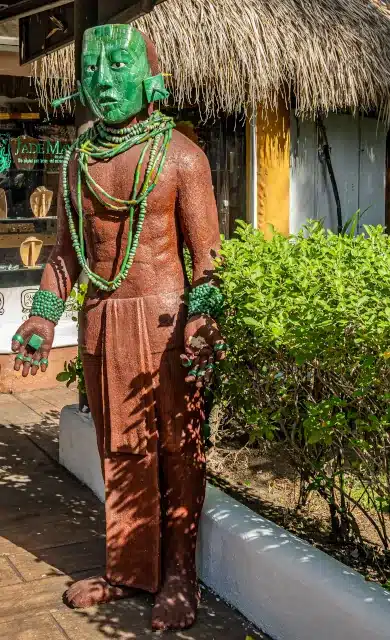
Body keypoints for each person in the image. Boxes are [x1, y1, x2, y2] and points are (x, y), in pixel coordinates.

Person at [11, 23, 226, 631]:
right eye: (93, 69)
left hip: (165, 323)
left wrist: (203, 318)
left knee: (179, 450)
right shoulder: (79, 159)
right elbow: (65, 256)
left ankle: (180, 575)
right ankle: (130, 570)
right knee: (120, 450)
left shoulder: (183, 157)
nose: (104, 82)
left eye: (119, 67)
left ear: (153, 80)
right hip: (103, 319)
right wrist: (41, 316)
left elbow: (207, 260)